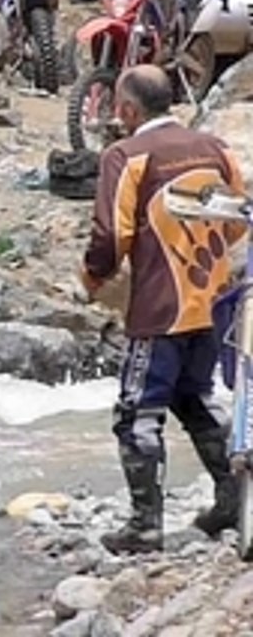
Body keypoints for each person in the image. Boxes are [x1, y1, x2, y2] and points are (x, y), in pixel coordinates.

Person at [76, 65, 247, 555]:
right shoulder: (213, 148)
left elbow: (111, 235)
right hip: (214, 303)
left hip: (159, 307)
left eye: (118, 108)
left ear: (128, 110)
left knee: (138, 412)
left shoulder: (125, 156)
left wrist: (94, 276)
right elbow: (237, 220)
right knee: (195, 399)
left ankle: (145, 525)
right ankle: (232, 498)